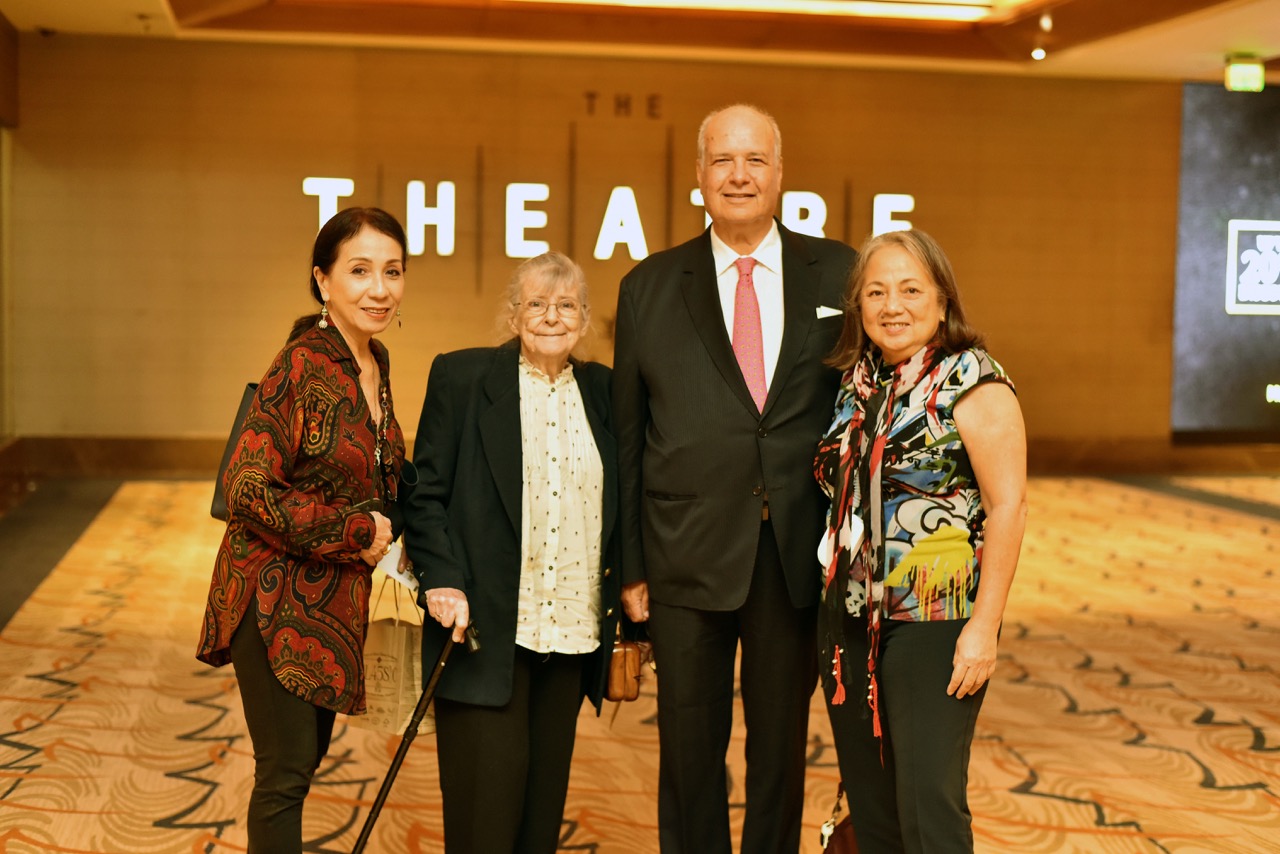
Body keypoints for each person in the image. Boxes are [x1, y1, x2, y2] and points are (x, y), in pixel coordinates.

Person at [612, 103, 856, 853]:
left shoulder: (841, 272)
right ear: (699, 177)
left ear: (781, 174)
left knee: (780, 751)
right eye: (723, 160)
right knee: (688, 751)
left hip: (795, 555)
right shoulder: (649, 285)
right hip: (683, 555)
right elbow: (628, 436)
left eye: (755, 160)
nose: (739, 174)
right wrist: (631, 566)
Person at [195, 207, 408, 854]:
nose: (380, 289)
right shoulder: (300, 366)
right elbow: (248, 487)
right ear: (323, 281)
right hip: (272, 596)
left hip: (328, 602)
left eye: (393, 272)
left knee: (300, 766)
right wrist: (354, 530)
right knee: (285, 774)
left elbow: (381, 472)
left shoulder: (374, 363)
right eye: (360, 271)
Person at [814, 228, 1027, 853]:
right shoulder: (860, 382)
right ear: (858, 307)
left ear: (942, 299)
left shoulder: (972, 379)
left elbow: (1007, 507)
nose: (892, 305)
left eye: (911, 289)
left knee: (927, 809)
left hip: (935, 621)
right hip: (849, 624)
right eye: (875, 292)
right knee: (875, 812)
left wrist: (984, 629)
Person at [403, 251, 621, 853]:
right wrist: (442, 579)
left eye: (567, 305)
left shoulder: (604, 391)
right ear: (512, 313)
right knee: (485, 820)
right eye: (536, 304)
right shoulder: (465, 378)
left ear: (584, 318)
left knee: (539, 820)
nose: (552, 317)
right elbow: (424, 496)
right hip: (483, 630)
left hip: (572, 635)